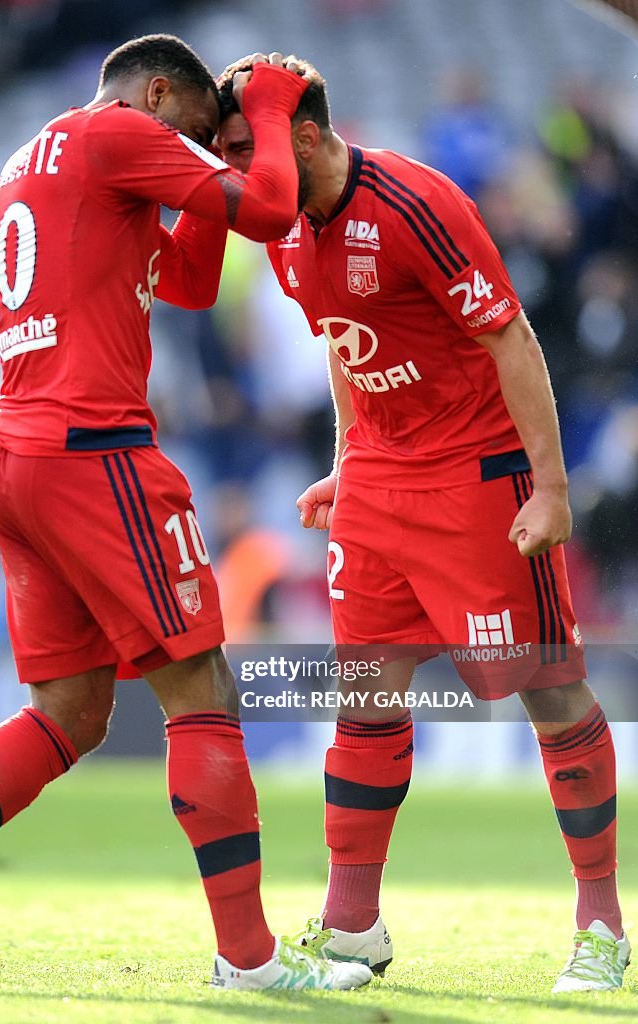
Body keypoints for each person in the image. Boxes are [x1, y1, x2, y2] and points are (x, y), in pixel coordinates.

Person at [0, 37, 372, 993]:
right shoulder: (116, 135)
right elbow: (270, 211)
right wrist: (264, 114)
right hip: (93, 452)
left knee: (69, 710)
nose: (190, 155)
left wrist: (215, 163)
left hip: (13, 455)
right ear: (153, 95)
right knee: (204, 693)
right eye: (188, 134)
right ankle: (249, 960)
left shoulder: (33, 160)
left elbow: (184, 279)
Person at [214, 55, 630, 994]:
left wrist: (552, 489)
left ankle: (602, 925)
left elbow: (510, 336)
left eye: (245, 147)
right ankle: (351, 925)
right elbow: (344, 343)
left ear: (305, 136)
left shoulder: (416, 203)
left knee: (549, 692)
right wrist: (345, 456)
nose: (234, 168)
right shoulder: (282, 233)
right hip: (379, 490)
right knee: (364, 699)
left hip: (479, 483)